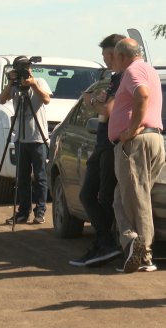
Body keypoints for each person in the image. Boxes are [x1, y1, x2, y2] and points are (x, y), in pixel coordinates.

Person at [69, 34, 126, 267]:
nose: (105, 61)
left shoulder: (122, 78)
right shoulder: (116, 79)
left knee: (100, 196)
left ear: (114, 54)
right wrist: (100, 101)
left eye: (105, 56)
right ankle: (103, 242)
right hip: (103, 143)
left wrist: (90, 101)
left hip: (109, 146)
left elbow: (109, 110)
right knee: (91, 195)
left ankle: (107, 243)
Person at [108, 38, 165, 273]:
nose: (114, 63)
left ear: (123, 56)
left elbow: (141, 95)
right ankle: (133, 244)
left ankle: (143, 253)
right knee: (122, 196)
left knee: (137, 198)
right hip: (153, 138)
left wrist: (131, 129)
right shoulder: (149, 69)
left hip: (136, 143)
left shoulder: (133, 71)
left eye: (115, 58)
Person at [0, 56, 52, 224]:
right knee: (22, 178)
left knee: (40, 177)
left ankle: (40, 211)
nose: (26, 72)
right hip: (21, 138)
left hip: (37, 138)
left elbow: (46, 99)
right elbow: (1, 100)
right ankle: (23, 211)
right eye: (23, 68)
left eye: (27, 68)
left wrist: (33, 84)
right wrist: (11, 82)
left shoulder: (40, 82)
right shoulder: (15, 86)